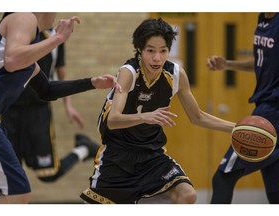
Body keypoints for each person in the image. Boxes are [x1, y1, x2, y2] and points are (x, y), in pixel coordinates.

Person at [80, 17, 236, 204]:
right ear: (140, 49)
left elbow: (198, 117)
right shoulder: (128, 72)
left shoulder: (176, 74)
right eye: (150, 51)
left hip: (151, 156)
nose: (157, 58)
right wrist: (146, 116)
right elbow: (113, 120)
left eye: (163, 51)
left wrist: (237, 129)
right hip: (118, 156)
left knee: (187, 195)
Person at [0, 12, 120, 204]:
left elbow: (47, 90)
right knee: (17, 193)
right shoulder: (24, 15)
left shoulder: (29, 59)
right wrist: (58, 38)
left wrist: (92, 82)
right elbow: (12, 60)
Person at [0, 27, 100, 183]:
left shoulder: (55, 36)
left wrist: (68, 104)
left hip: (38, 111)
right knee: (8, 175)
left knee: (48, 174)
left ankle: (84, 149)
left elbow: (60, 72)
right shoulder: (10, 32)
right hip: (9, 110)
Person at [206, 13, 279, 204]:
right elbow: (263, 62)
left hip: (272, 111)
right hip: (267, 106)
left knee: (223, 177)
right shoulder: (263, 17)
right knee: (276, 192)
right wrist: (228, 64)